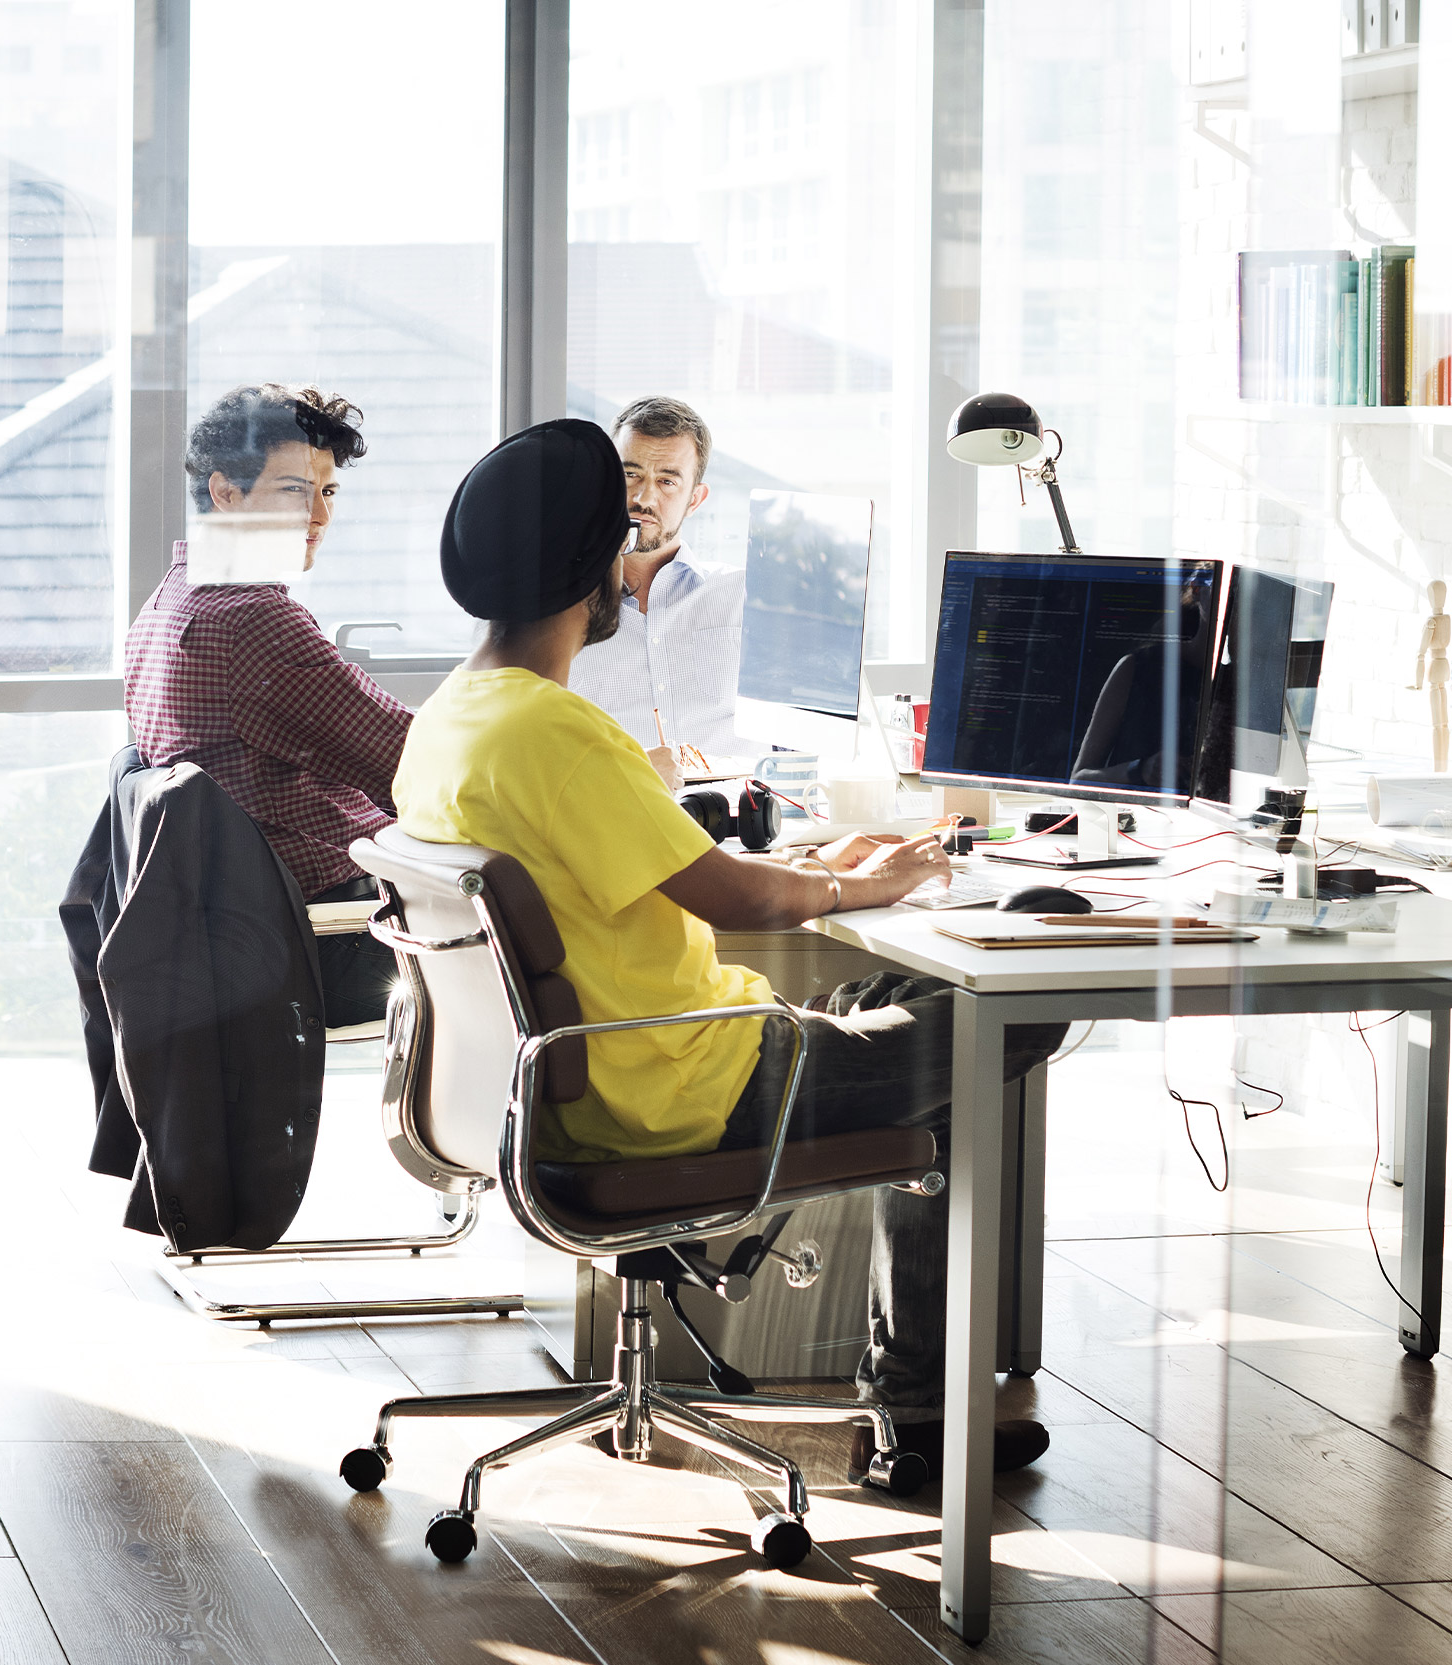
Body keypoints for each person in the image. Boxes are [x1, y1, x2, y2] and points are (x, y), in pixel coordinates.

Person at [392, 417, 1053, 1493]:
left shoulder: (454, 718)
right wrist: (864, 881)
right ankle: (921, 1418)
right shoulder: (557, 732)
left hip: (582, 1083)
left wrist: (833, 866)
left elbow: (660, 862)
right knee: (1007, 1009)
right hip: (685, 1089)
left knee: (903, 993)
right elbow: (733, 892)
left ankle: (922, 1408)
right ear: (593, 568)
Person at [120, 380, 399, 1017]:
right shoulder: (252, 620)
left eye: (327, 493)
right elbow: (411, 762)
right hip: (324, 938)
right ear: (224, 491)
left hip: (237, 932)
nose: (320, 519)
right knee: (565, 916)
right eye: (295, 490)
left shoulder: (169, 602)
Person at [564, 396, 744, 777]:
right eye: (631, 475)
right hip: (614, 815)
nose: (644, 498)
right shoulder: (556, 609)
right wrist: (628, 772)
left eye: (667, 481)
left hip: (738, 820)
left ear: (695, 499)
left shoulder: (742, 597)